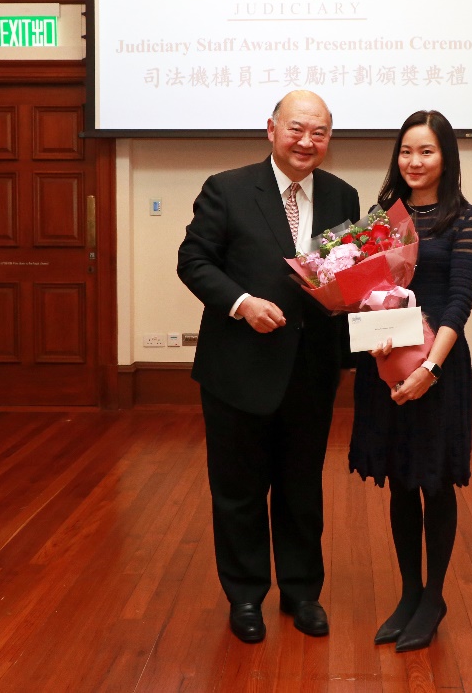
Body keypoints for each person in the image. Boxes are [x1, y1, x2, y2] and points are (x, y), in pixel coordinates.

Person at [177, 90, 361, 643]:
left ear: (329, 138)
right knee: (237, 488)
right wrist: (242, 304)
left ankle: (303, 593)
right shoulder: (227, 189)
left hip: (311, 370)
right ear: (271, 129)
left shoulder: (342, 196)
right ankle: (246, 596)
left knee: (302, 486)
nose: (308, 142)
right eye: (297, 129)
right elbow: (194, 261)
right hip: (238, 367)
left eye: (320, 133)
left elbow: (348, 277)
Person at [349, 109, 472, 652]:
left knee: (434, 481)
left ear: (445, 157)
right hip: (386, 363)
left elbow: (459, 303)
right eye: (406, 151)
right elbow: (362, 289)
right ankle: (408, 592)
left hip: (438, 366)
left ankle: (434, 596)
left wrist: (431, 369)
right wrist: (370, 326)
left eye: (426, 151)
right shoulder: (383, 214)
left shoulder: (464, 219)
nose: (414, 161)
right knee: (402, 478)